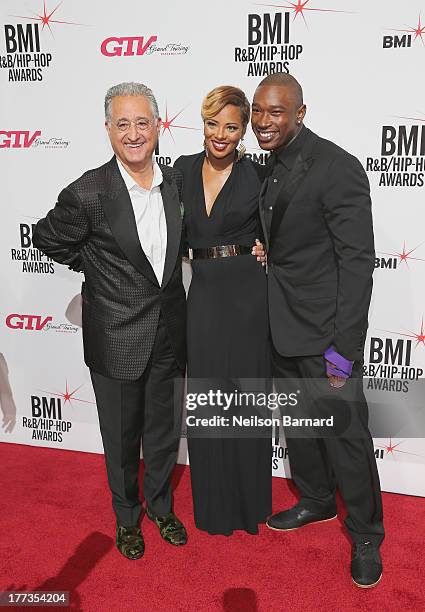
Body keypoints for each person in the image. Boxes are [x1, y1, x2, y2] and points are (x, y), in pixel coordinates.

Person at [32, 82, 188, 560]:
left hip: (168, 332)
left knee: (163, 430)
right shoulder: (88, 191)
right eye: (123, 123)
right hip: (115, 335)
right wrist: (93, 266)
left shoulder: (176, 184)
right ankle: (127, 518)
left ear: (158, 127)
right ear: (108, 130)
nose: (134, 133)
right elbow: (45, 238)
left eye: (143, 122)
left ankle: (161, 506)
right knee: (121, 438)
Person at [251, 73, 384, 588]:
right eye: (259, 111)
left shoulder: (337, 167)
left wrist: (344, 349)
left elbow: (357, 263)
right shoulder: (269, 168)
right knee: (302, 430)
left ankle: (368, 534)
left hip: (327, 335)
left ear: (301, 113)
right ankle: (315, 500)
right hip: (281, 325)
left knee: (346, 437)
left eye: (276, 112)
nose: (264, 122)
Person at [174, 86, 272, 535]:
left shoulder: (258, 175)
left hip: (248, 297)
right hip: (206, 298)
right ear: (203, 121)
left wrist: (269, 248)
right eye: (214, 123)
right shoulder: (182, 169)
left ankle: (250, 504)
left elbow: (283, 229)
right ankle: (213, 506)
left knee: (246, 398)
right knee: (209, 400)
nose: (221, 134)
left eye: (232, 126)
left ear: (243, 130)